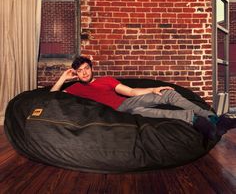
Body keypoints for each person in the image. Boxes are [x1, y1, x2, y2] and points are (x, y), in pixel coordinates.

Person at [51, 56, 236, 140]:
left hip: (126, 102)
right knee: (148, 112)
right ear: (76, 73)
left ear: (92, 69)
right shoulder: (74, 87)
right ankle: (195, 120)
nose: (84, 73)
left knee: (168, 93)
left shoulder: (106, 80)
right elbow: (51, 97)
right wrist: (63, 78)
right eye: (80, 71)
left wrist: (153, 90)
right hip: (116, 114)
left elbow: (130, 92)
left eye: (86, 69)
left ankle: (213, 119)